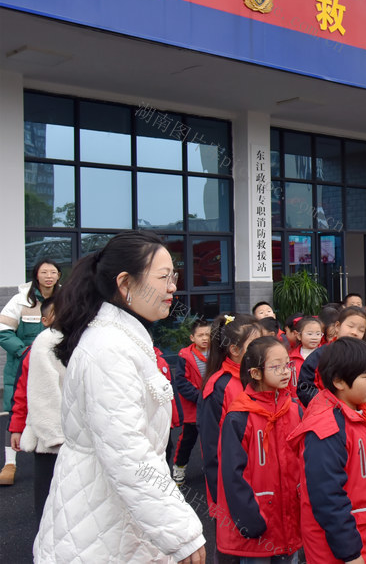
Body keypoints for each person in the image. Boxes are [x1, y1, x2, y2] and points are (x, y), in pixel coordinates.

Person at [34, 231, 205, 563]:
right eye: (164, 277)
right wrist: (180, 530)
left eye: (175, 276)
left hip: (114, 519)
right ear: (125, 283)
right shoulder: (109, 348)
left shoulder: (120, 338)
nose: (173, 287)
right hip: (99, 527)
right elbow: (128, 452)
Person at [288, 337, 366, 564]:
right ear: (338, 381)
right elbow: (327, 496)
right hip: (343, 550)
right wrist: (351, 553)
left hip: (364, 537)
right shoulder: (326, 427)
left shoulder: (358, 414)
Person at [217, 337, 303, 562]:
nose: (285, 371)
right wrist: (250, 519)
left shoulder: (293, 409)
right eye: (277, 366)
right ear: (255, 373)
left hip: (290, 519)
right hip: (259, 522)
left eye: (287, 364)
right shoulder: (239, 416)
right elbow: (233, 474)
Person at [0, 259, 60, 485]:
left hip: (55, 365)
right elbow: (4, 331)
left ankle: (56, 461)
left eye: (53, 272)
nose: (49, 276)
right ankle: (10, 463)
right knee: (15, 410)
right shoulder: (20, 300)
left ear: (58, 276)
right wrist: (25, 352)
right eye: (44, 272)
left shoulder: (64, 298)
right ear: (36, 275)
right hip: (22, 365)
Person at [197, 314, 263, 515]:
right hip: (235, 494)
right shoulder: (219, 387)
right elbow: (211, 451)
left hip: (266, 487)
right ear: (234, 350)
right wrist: (224, 501)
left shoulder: (261, 378)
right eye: (255, 344)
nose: (264, 347)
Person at [10, 298, 61, 525]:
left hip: (74, 435)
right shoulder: (38, 349)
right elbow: (22, 393)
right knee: (46, 492)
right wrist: (16, 428)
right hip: (44, 435)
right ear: (45, 320)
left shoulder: (80, 344)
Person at [299, 306, 366, 406]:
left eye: (361, 330)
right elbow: (305, 386)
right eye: (350, 326)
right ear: (337, 326)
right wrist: (326, 405)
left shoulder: (364, 356)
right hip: (325, 411)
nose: (355, 332)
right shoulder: (321, 354)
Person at [172, 318, 211, 484]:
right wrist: (198, 396)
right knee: (187, 440)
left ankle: (210, 468)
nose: (205, 338)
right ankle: (179, 469)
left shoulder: (217, 353)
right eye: (200, 335)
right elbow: (181, 381)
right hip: (193, 408)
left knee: (211, 440)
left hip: (212, 406)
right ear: (192, 338)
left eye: (208, 335)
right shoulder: (185, 356)